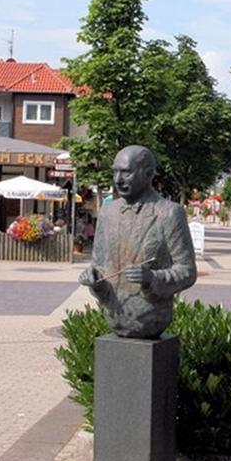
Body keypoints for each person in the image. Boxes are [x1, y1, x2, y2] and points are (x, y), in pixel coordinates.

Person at [78, 145, 197, 339]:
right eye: (115, 172)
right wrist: (94, 281)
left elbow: (187, 271)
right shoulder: (107, 213)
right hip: (114, 316)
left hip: (152, 319)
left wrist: (152, 278)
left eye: (126, 172)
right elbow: (99, 265)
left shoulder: (169, 213)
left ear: (148, 174)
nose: (118, 180)